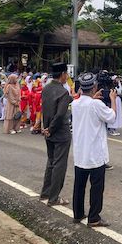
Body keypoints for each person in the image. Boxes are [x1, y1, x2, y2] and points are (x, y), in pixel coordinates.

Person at [71, 72, 117, 228]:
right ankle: (94, 217)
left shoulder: (75, 103)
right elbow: (111, 117)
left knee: (79, 185)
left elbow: (84, 102)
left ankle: (78, 214)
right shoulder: (97, 104)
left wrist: (92, 97)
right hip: (95, 153)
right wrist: (113, 99)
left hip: (80, 152)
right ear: (95, 87)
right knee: (97, 187)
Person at [40, 63, 73, 206]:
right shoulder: (63, 92)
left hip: (48, 131)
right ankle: (54, 198)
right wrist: (52, 128)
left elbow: (45, 109)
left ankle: (45, 193)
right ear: (63, 74)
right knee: (60, 164)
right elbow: (60, 115)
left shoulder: (46, 89)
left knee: (51, 162)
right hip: (60, 132)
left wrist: (46, 128)